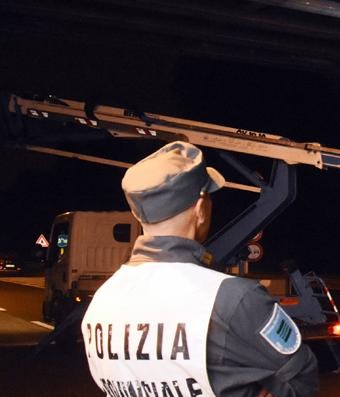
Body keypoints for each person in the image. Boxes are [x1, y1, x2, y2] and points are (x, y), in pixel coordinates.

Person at [81, 141, 318, 397]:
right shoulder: (233, 298)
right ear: (201, 209)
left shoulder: (102, 301)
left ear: (139, 214)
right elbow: (299, 377)